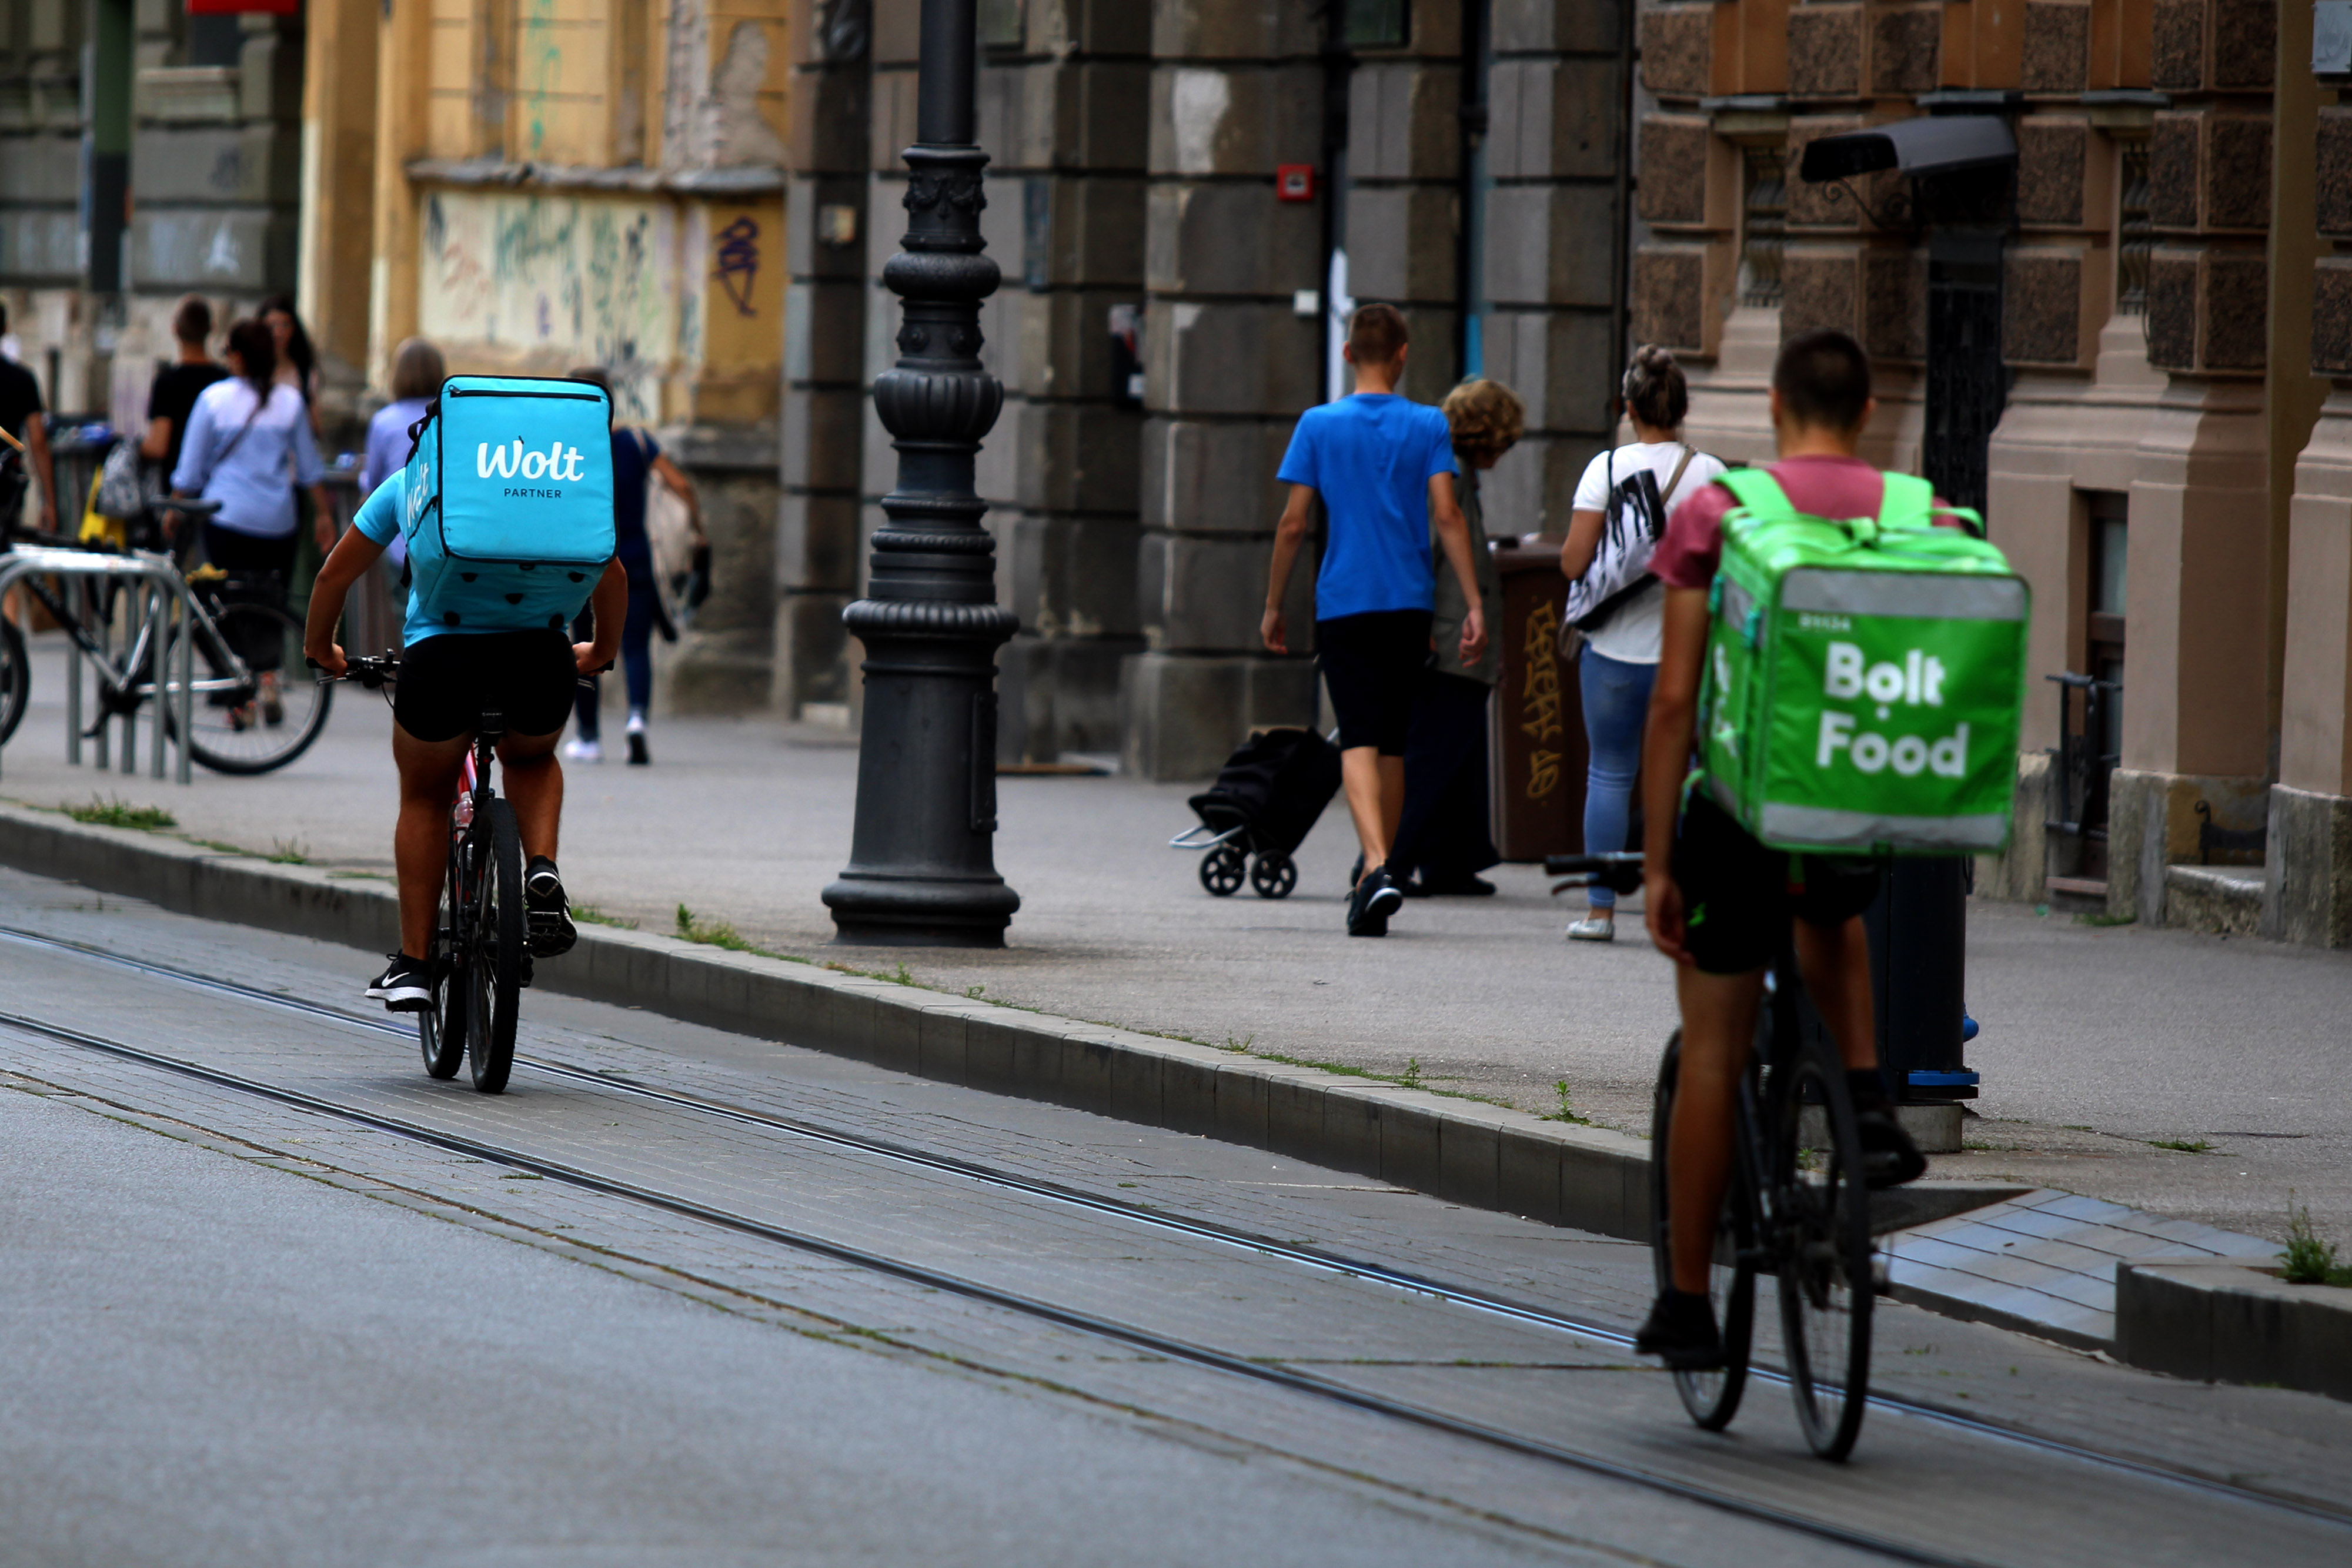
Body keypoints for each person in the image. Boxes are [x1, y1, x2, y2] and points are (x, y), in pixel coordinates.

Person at [1633, 330, 1927, 1368]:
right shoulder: (1916, 512)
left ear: (1772, 407)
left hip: (1740, 811)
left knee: (1712, 1048)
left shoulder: (1724, 510)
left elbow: (1674, 701)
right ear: (1869, 410)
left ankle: (1686, 1304)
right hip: (1856, 792)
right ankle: (1863, 1097)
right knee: (1831, 911)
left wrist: (1659, 859)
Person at [301, 417, 627, 1012]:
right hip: (540, 658)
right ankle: (542, 871)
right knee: (531, 757)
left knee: (425, 795)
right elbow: (613, 572)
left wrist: (324, 650)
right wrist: (601, 651)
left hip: (442, 659)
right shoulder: (552, 492)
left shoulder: (413, 484)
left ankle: (417, 966)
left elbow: (333, 574)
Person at [1263, 305, 1487, 937]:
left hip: (1345, 600)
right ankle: (1371, 881)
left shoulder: (1318, 425)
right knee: (1391, 742)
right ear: (1402, 355)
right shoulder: (1427, 425)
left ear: (1345, 355)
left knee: (1357, 735)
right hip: (1409, 601)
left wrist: (1275, 603)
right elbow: (1448, 516)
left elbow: (1293, 524)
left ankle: (1380, 863)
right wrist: (1473, 603)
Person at [1559, 347, 1725, 942]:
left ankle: (1600, 910)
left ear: (1629, 408)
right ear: (1682, 408)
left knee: (1608, 774)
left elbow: (1575, 562)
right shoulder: (1711, 474)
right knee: (1683, 777)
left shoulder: (1604, 469)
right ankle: (1679, 905)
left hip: (1611, 653)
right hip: (1685, 655)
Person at [1386, 377, 1518, 897]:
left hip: (1453, 637)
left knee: (1457, 754)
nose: (1507, 450)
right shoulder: (1449, 474)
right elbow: (1430, 549)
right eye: (1505, 439)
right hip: (1448, 639)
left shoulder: (1450, 468)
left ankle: (1449, 860)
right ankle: (1385, 865)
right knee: (1433, 756)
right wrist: (1422, 630)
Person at [171, 317, 336, 728]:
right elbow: (311, 468)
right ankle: (267, 677)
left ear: (239, 357)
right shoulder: (290, 402)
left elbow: (189, 474)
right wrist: (325, 517)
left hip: (226, 520)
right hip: (278, 522)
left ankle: (237, 695)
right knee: (268, 603)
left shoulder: (213, 400)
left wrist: (175, 510)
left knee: (222, 604)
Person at [560, 366, 704, 767]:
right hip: (636, 558)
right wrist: (699, 532)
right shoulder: (636, 442)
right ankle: (636, 720)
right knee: (636, 646)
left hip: (584, 563)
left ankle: (588, 737)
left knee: (584, 646)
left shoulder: (566, 448)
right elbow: (681, 485)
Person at [358, 337, 446, 571]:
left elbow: (373, 482)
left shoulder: (384, 421)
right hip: (444, 541)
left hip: (400, 541)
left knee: (401, 605)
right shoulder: (450, 418)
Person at [141, 295, 229, 483]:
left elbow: (159, 445)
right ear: (211, 328)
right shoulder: (225, 380)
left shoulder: (167, 382)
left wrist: (132, 448)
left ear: (175, 329)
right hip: (220, 483)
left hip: (177, 483)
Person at [0, 302, 58, 536]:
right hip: (5, 486)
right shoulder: (22, 379)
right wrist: (49, 503)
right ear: (5, 328)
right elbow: (38, 442)